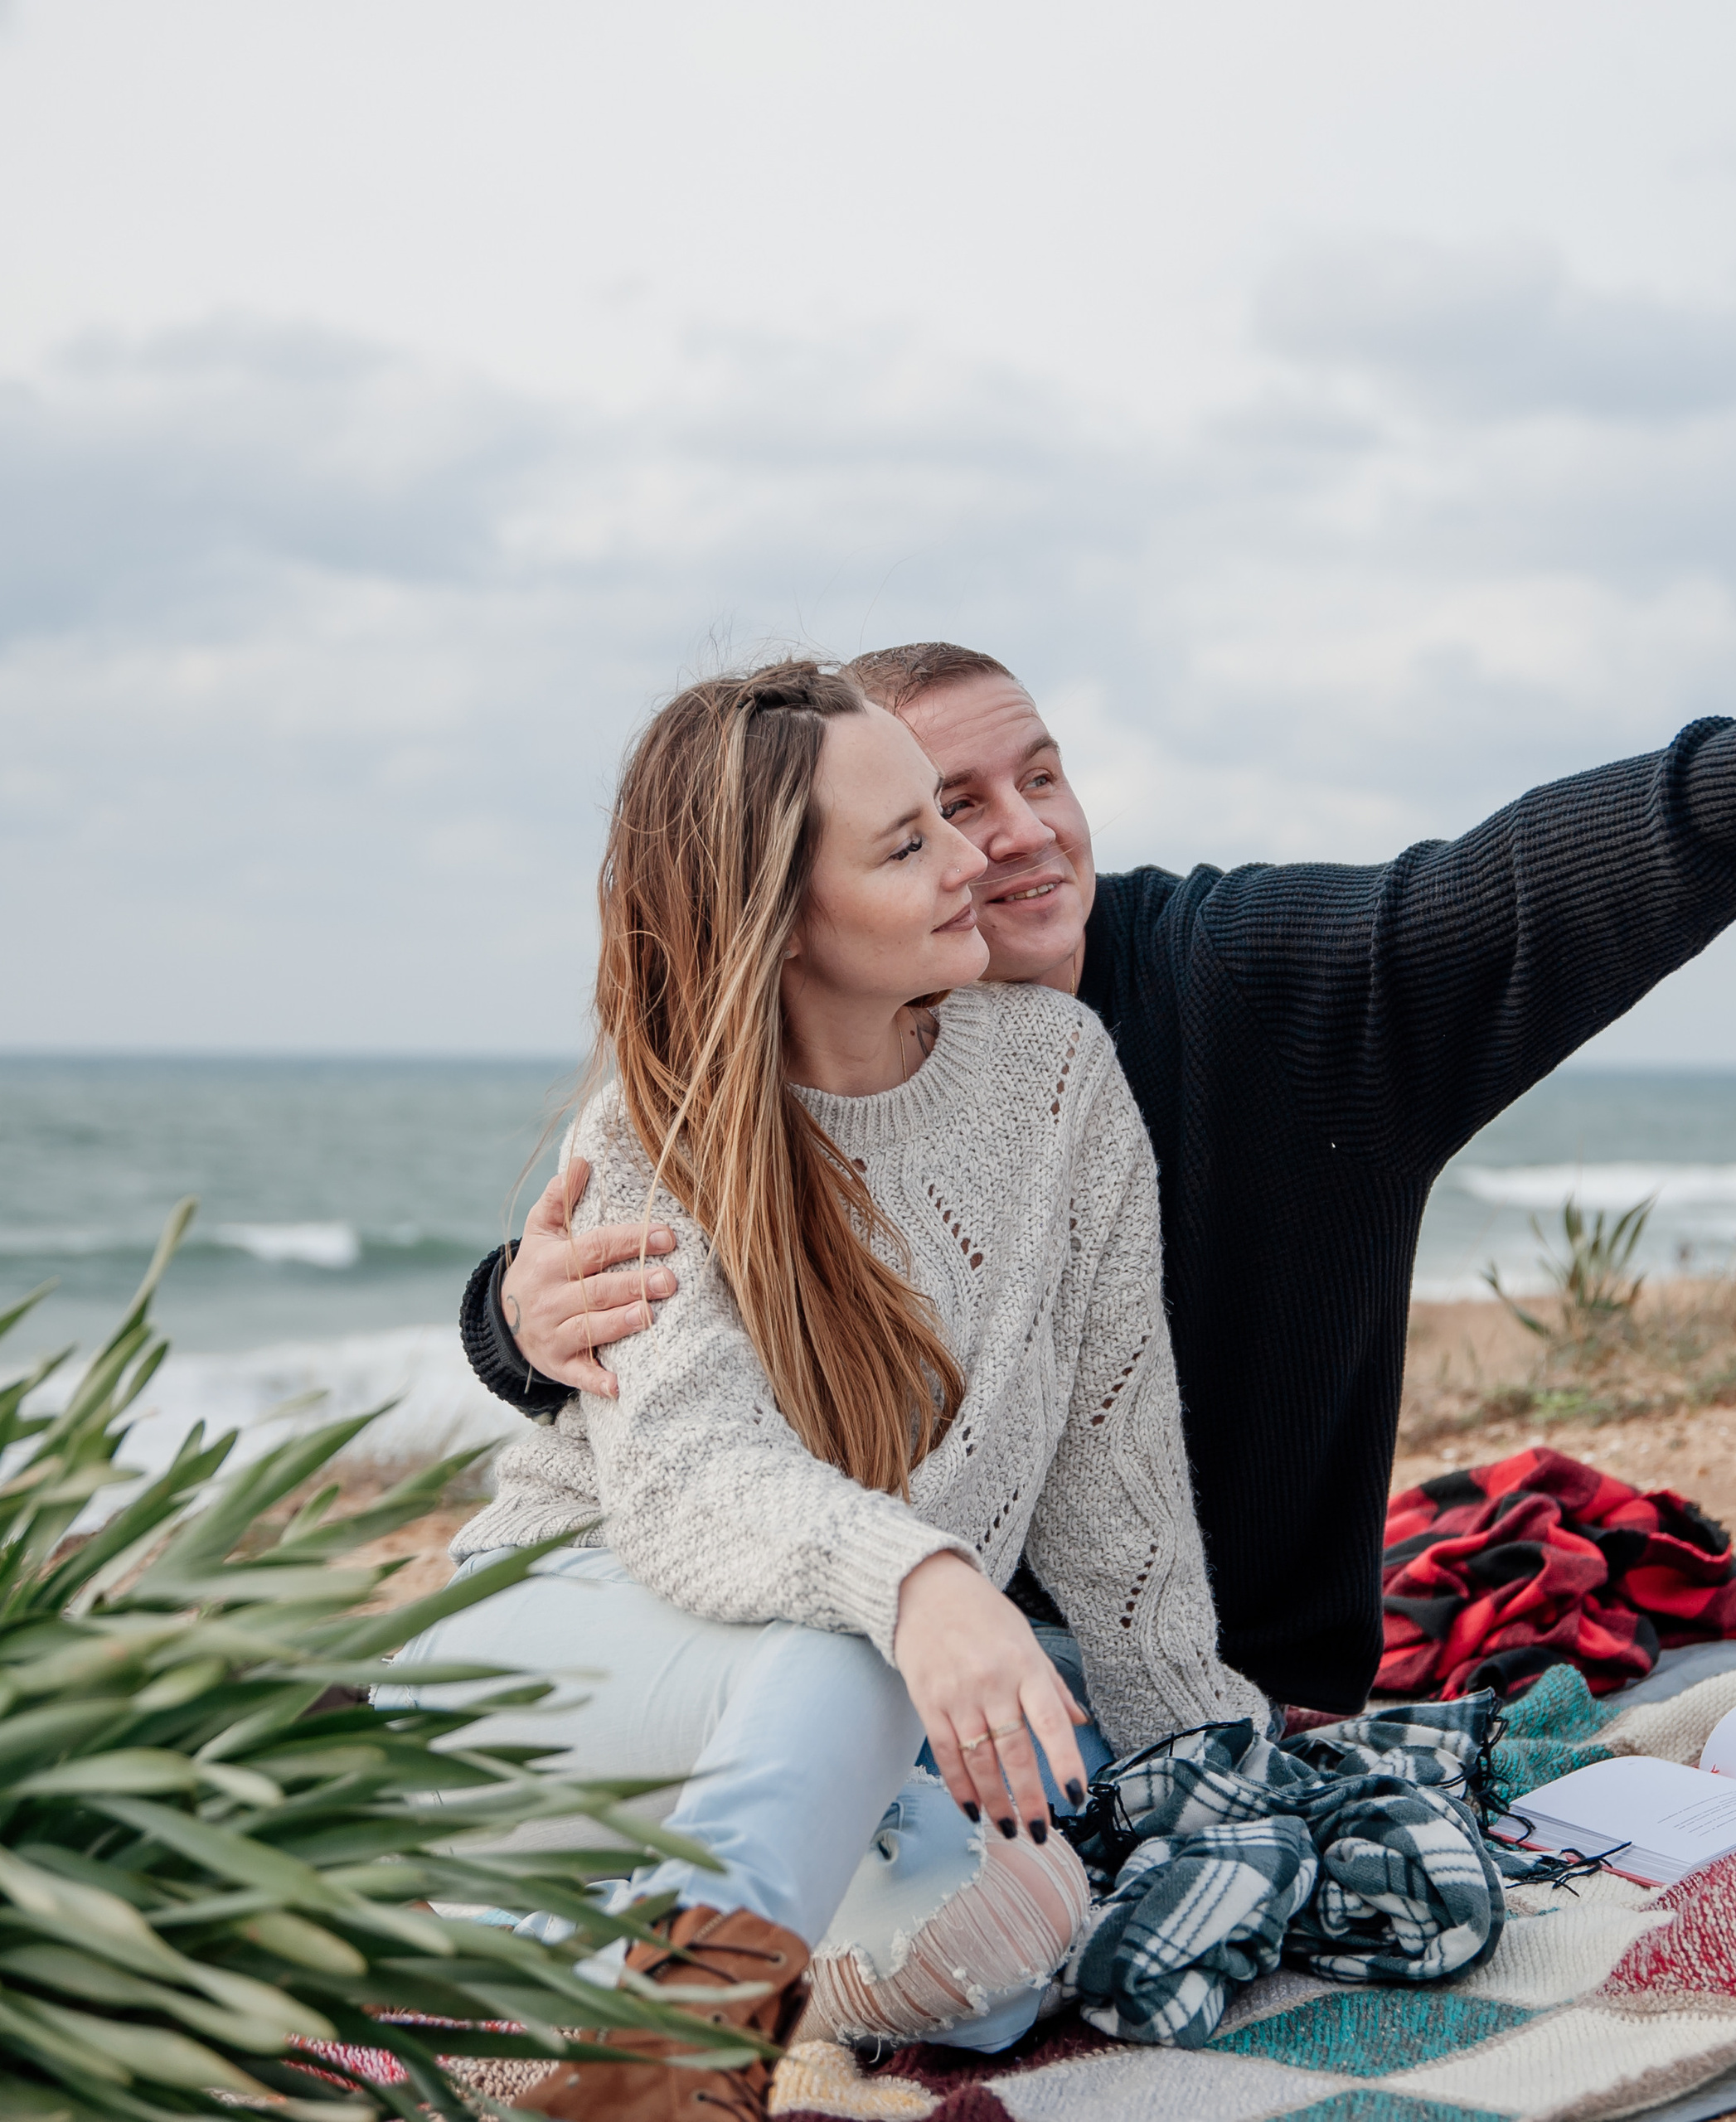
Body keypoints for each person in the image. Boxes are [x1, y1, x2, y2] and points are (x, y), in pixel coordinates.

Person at [463, 622, 1736, 1714]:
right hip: (861, 1646)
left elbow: (1493, 896)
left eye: (1037, 773)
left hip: (1200, 1671)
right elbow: (668, 1287)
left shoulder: (1239, 979)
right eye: (940, 808)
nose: (1011, 834)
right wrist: (511, 1319)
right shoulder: (783, 1065)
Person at [390, 663, 1267, 2121]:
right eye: (911, 841)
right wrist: (924, 1582)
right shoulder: (658, 1132)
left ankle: (558, 1928)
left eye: (945, 816)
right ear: (780, 923)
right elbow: (688, 1483)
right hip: (549, 1649)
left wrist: (1192, 1740)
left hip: (794, 1693)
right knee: (857, 1645)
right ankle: (671, 2066)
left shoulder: (1057, 1076)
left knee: (1005, 1955)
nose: (976, 858)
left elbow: (1117, 1460)